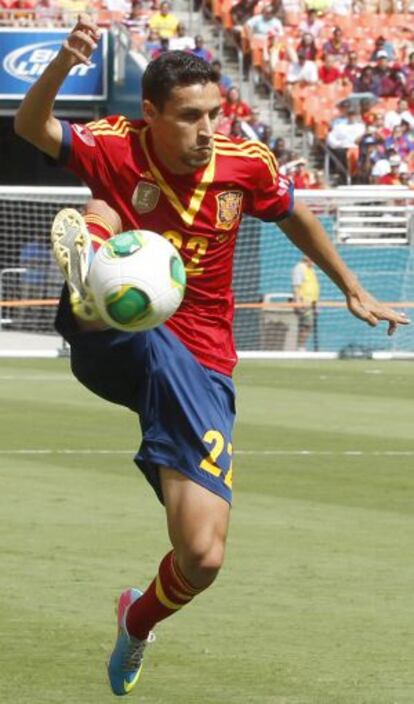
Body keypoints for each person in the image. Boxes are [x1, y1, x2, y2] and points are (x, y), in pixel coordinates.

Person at [14, 14, 409, 698]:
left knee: (202, 556)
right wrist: (59, 67)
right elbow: (32, 127)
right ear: (150, 114)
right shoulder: (116, 143)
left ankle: (136, 623)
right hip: (115, 340)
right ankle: (89, 283)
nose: (206, 130)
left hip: (199, 363)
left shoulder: (244, 164)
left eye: (214, 114)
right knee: (107, 208)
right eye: (190, 117)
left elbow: (297, 216)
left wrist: (351, 287)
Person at [292, 255, 320, 350]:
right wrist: (298, 301)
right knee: (305, 325)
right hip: (304, 302)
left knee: (309, 326)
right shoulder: (299, 268)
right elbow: (296, 286)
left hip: (312, 303)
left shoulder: (311, 270)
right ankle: (300, 347)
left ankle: (301, 346)